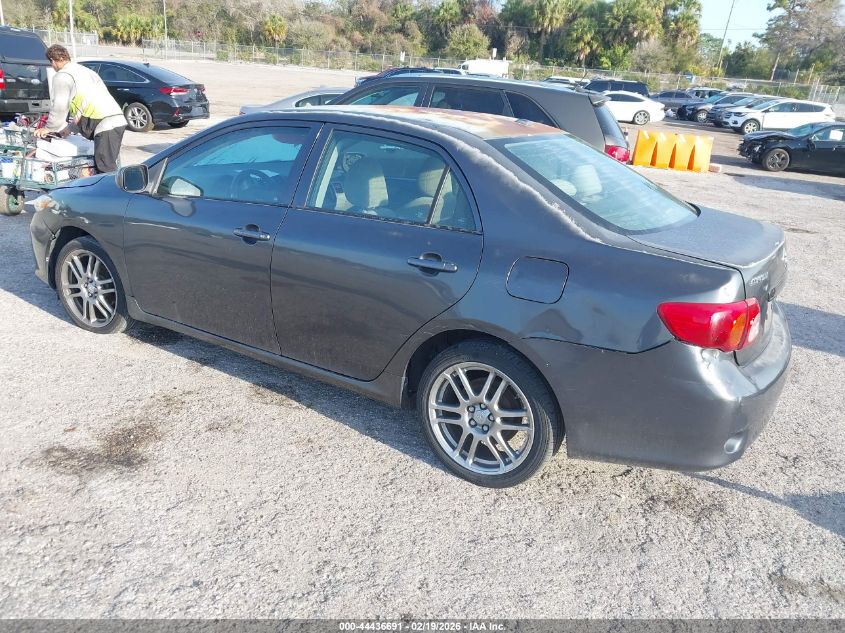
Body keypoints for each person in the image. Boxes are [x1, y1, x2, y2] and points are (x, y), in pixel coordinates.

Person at [34, 45, 126, 174]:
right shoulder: (86, 71)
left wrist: (49, 128)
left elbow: (60, 106)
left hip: (104, 122)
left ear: (53, 61)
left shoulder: (63, 76)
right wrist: (68, 129)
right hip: (115, 118)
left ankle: (111, 193)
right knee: (104, 165)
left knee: (105, 167)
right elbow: (85, 107)